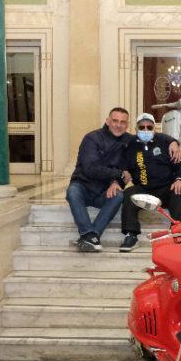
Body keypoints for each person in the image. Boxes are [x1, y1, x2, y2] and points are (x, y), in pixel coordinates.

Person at [66, 107, 132, 252]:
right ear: (107, 121)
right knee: (72, 191)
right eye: (115, 121)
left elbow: (127, 169)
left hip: (105, 191)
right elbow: (91, 169)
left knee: (119, 195)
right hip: (83, 185)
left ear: (127, 125)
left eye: (123, 122)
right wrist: (118, 175)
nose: (118, 125)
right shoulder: (92, 138)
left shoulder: (130, 141)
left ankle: (91, 236)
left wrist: (172, 142)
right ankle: (89, 233)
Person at [120, 113, 181, 252]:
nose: (145, 130)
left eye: (149, 127)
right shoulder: (130, 145)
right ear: (136, 128)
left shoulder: (165, 141)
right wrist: (124, 172)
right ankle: (131, 234)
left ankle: (177, 233)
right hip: (143, 189)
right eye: (142, 127)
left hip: (165, 188)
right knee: (128, 193)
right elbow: (123, 164)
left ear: (154, 128)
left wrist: (179, 179)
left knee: (179, 191)